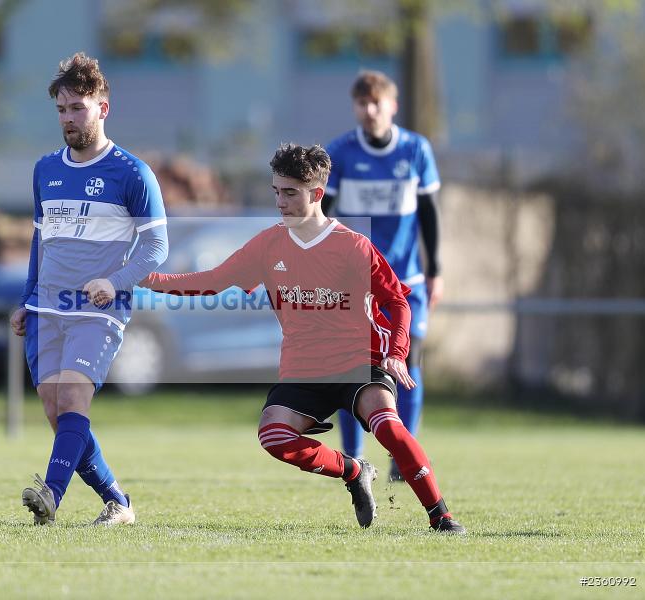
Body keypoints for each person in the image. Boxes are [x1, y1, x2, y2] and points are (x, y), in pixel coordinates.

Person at [139, 143, 464, 533]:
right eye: (276, 190)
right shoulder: (268, 245)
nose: (280, 201)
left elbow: (397, 301)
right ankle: (353, 470)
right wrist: (148, 279)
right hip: (305, 369)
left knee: (390, 428)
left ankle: (441, 517)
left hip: (361, 362)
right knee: (273, 435)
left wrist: (396, 352)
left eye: (289, 192)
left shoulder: (352, 246)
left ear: (317, 194)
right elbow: (212, 281)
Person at [10, 53, 169, 526]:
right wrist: (26, 300)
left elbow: (156, 247)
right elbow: (42, 240)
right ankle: (118, 503)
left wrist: (114, 282)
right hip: (45, 308)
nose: (68, 118)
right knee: (60, 416)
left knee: (74, 402)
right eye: (61, 110)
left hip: (98, 311)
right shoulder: (44, 170)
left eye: (77, 108)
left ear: (103, 108)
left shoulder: (132, 173)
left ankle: (50, 497)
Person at [323, 71, 443, 480]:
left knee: (410, 361)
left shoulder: (415, 150)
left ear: (392, 105)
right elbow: (324, 216)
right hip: (357, 282)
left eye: (377, 103)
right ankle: (355, 456)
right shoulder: (339, 152)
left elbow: (429, 213)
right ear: (355, 107)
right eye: (362, 103)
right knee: (349, 365)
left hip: (406, 280)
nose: (370, 111)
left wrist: (436, 270)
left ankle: (402, 456)